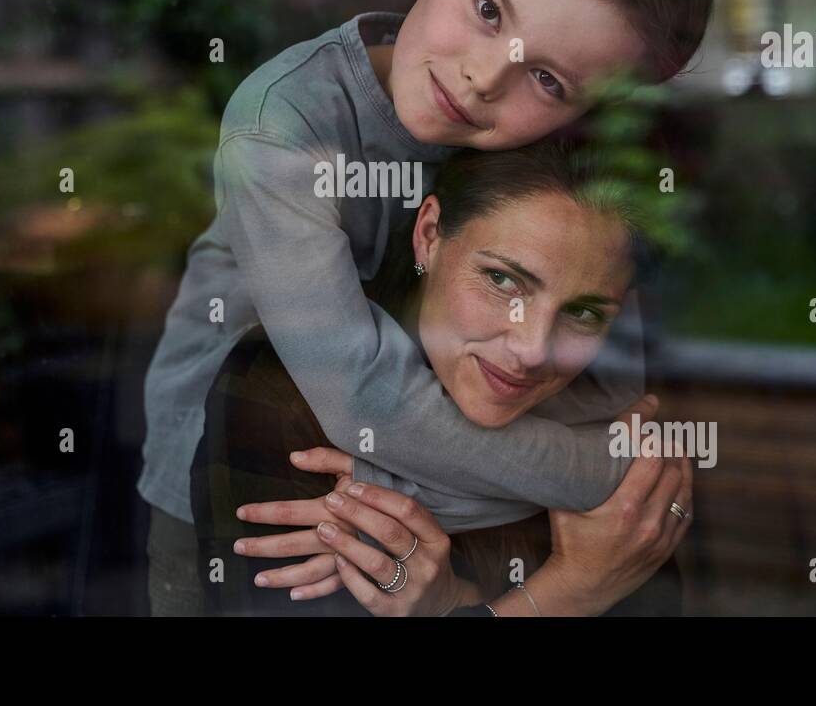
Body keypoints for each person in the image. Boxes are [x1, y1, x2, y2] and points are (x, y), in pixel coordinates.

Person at [142, 0, 712, 614]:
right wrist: (613, 479)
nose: (483, 79)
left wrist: (396, 493)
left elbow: (601, 394)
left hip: (420, 488)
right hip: (249, 478)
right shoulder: (282, 124)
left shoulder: (547, 156)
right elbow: (368, 399)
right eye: (488, 11)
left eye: (548, 80)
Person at [191, 141, 691, 615]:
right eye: (502, 280)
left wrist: (458, 601)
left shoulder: (606, 419)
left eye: (582, 312)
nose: (533, 350)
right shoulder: (286, 388)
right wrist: (569, 593)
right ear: (429, 235)